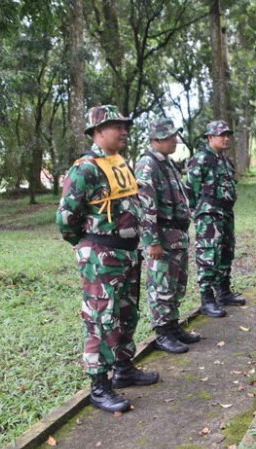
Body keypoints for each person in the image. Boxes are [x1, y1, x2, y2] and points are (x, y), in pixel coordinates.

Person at [57, 105, 159, 413]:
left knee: (126, 313)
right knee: (100, 318)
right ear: (98, 132)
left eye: (125, 125)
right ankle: (99, 386)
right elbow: (66, 219)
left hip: (127, 253)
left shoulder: (120, 163)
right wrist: (86, 246)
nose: (124, 130)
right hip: (101, 256)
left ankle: (124, 368)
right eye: (117, 125)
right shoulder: (84, 169)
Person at [135, 117, 200, 354]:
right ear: (157, 139)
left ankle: (173, 327)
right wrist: (151, 241)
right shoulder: (148, 164)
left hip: (176, 236)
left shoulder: (168, 164)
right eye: (171, 136)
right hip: (161, 237)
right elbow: (145, 206)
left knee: (176, 284)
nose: (175, 140)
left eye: (174, 135)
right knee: (161, 286)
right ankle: (162, 333)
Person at [186, 120, 245, 318]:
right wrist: (199, 211)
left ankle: (224, 291)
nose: (226, 138)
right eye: (221, 135)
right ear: (210, 138)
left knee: (226, 251)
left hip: (226, 212)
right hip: (209, 214)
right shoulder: (201, 158)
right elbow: (191, 190)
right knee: (208, 254)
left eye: (227, 135)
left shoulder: (225, 160)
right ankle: (207, 299)